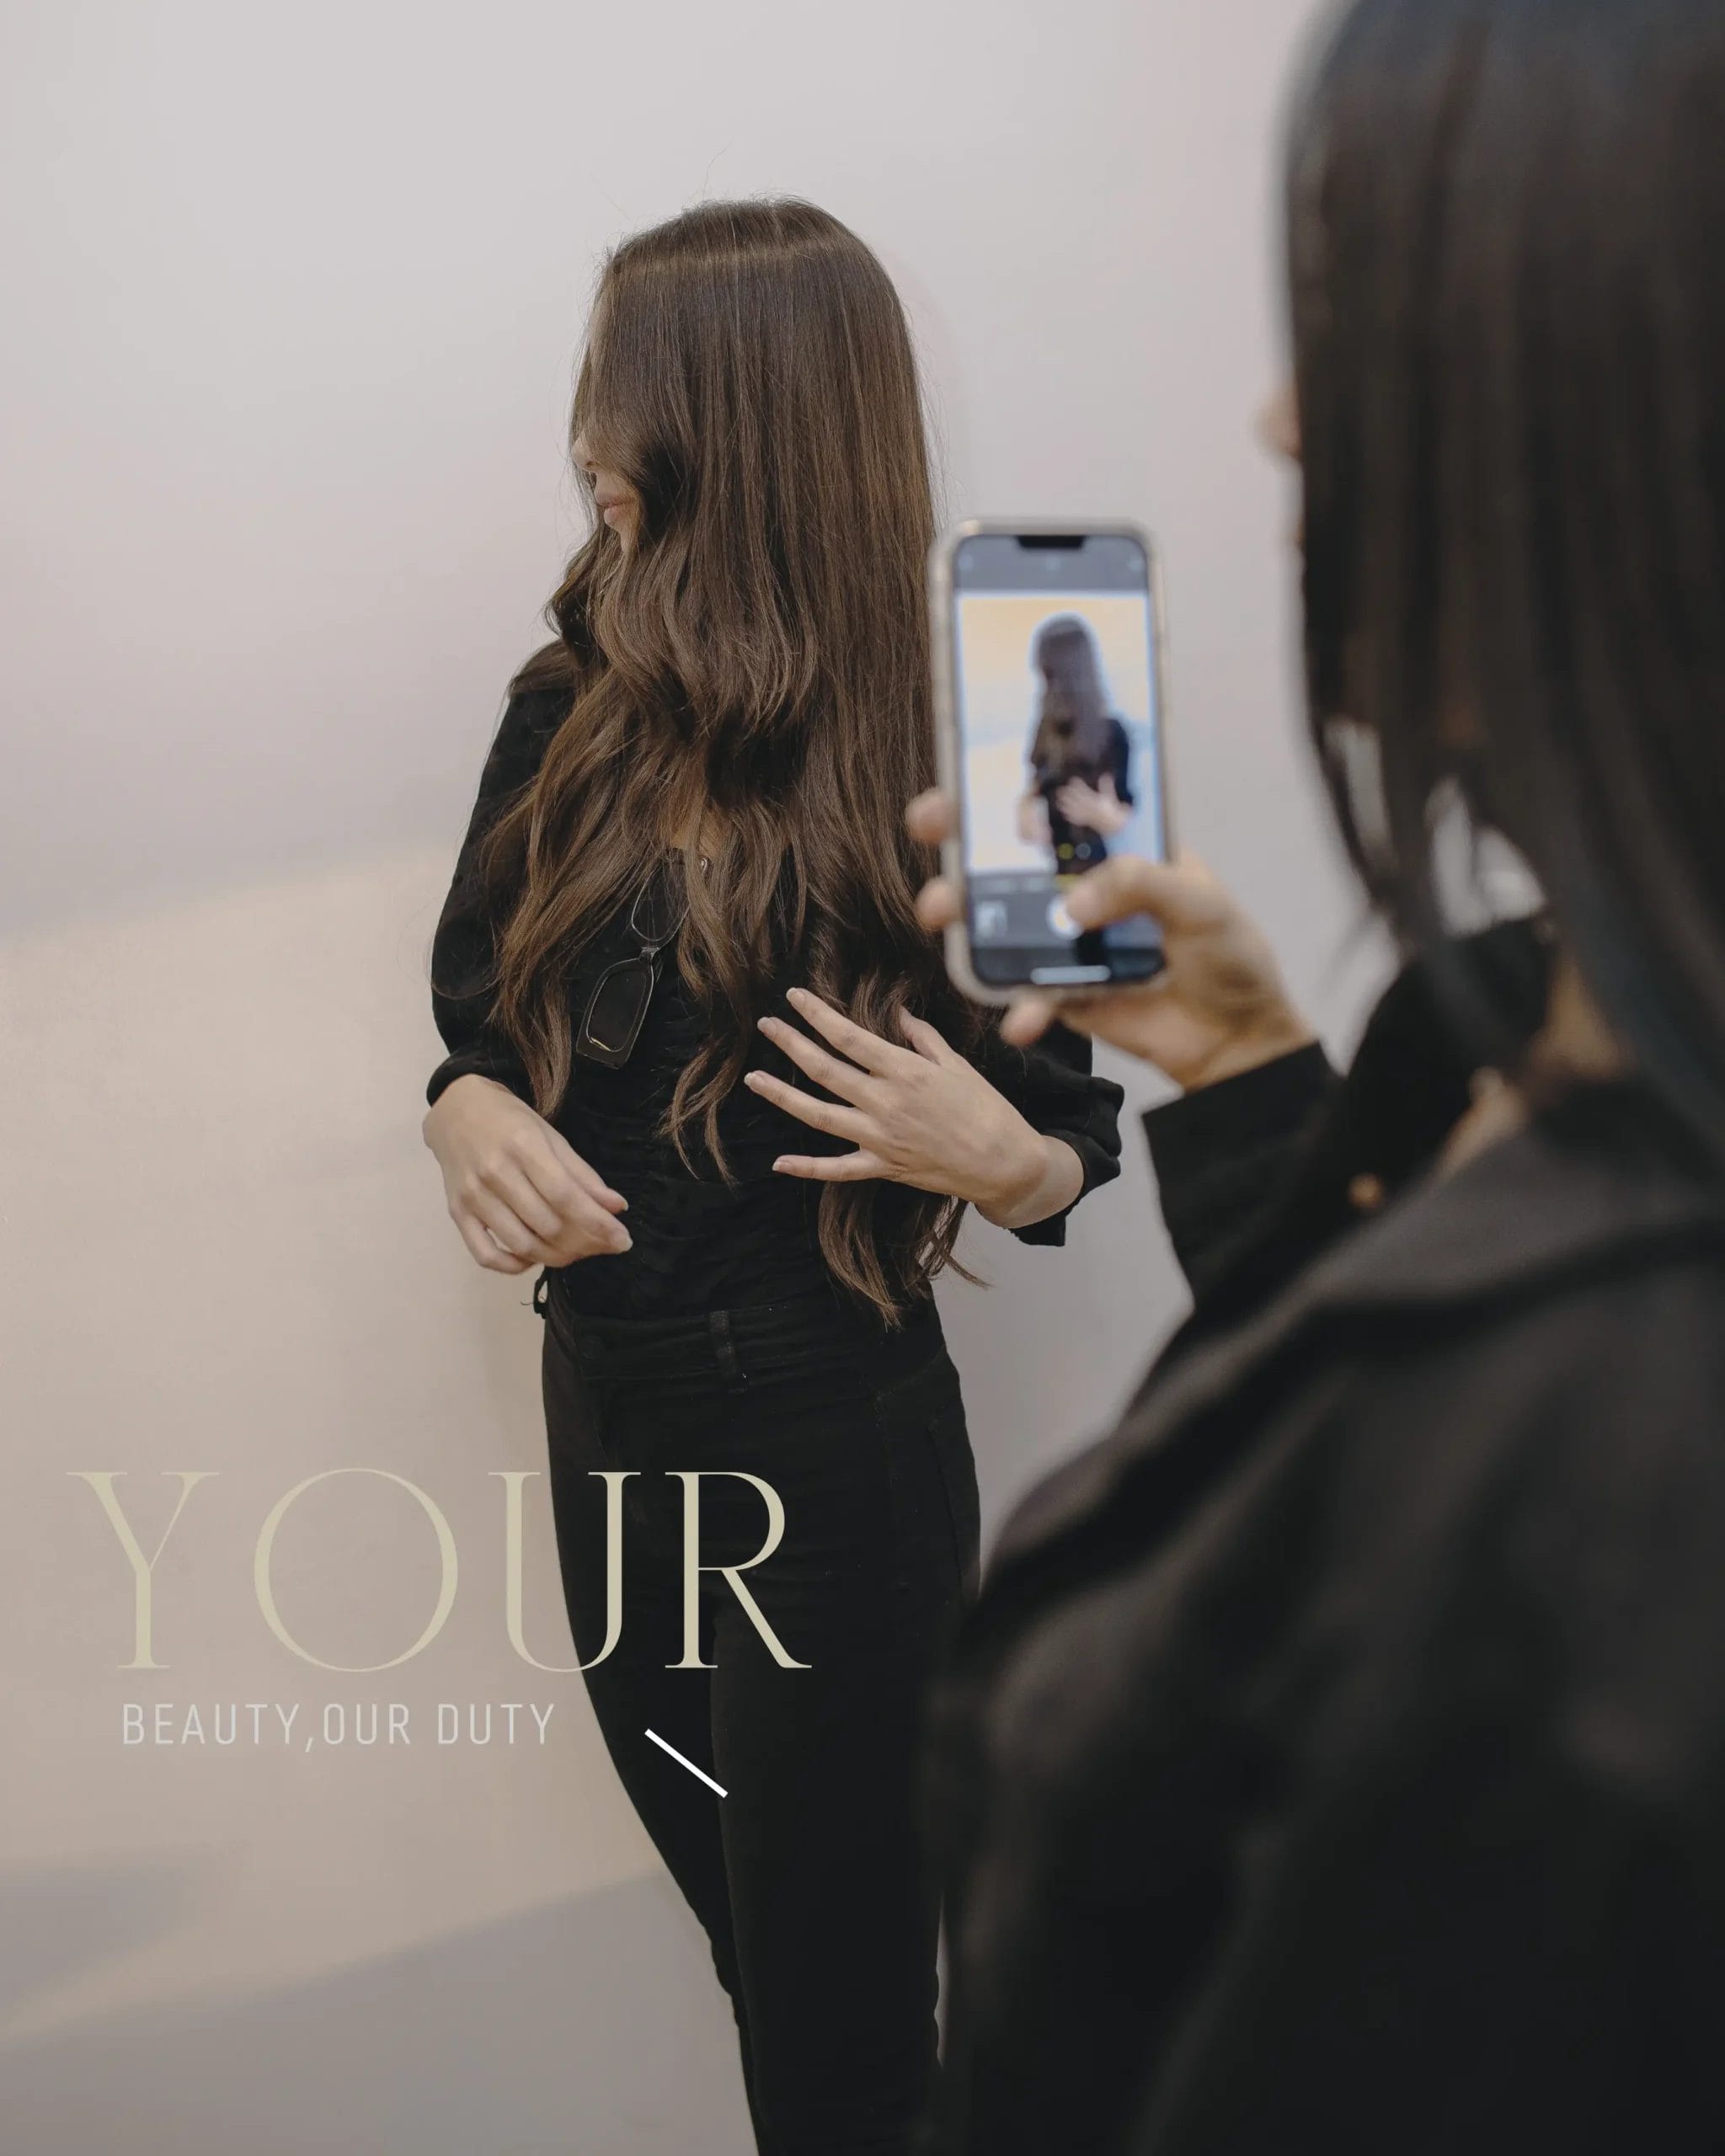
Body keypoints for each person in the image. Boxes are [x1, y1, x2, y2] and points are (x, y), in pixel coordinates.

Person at [895, 3, 1725, 2149]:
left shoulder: (1599, 1440)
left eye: (1352, 329)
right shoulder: (1488, 1031)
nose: (1276, 424)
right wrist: (1261, 1078)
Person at [419, 200, 1124, 2156]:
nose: (587, 438)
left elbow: (1073, 1138)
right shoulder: (569, 703)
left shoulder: (986, 730)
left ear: (740, 417)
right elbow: (475, 1028)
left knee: (839, 2035)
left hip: (825, 1448)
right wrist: (459, 1110)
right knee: (772, 1963)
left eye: (622, 391)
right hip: (605, 1417)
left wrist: (1006, 1157)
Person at [1014, 614, 1136, 872]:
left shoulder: (1112, 733)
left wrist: (1104, 816)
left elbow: (1124, 811)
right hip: (1058, 867)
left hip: (1100, 868)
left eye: (1050, 675)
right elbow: (1035, 787)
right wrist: (1024, 811)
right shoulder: (1046, 730)